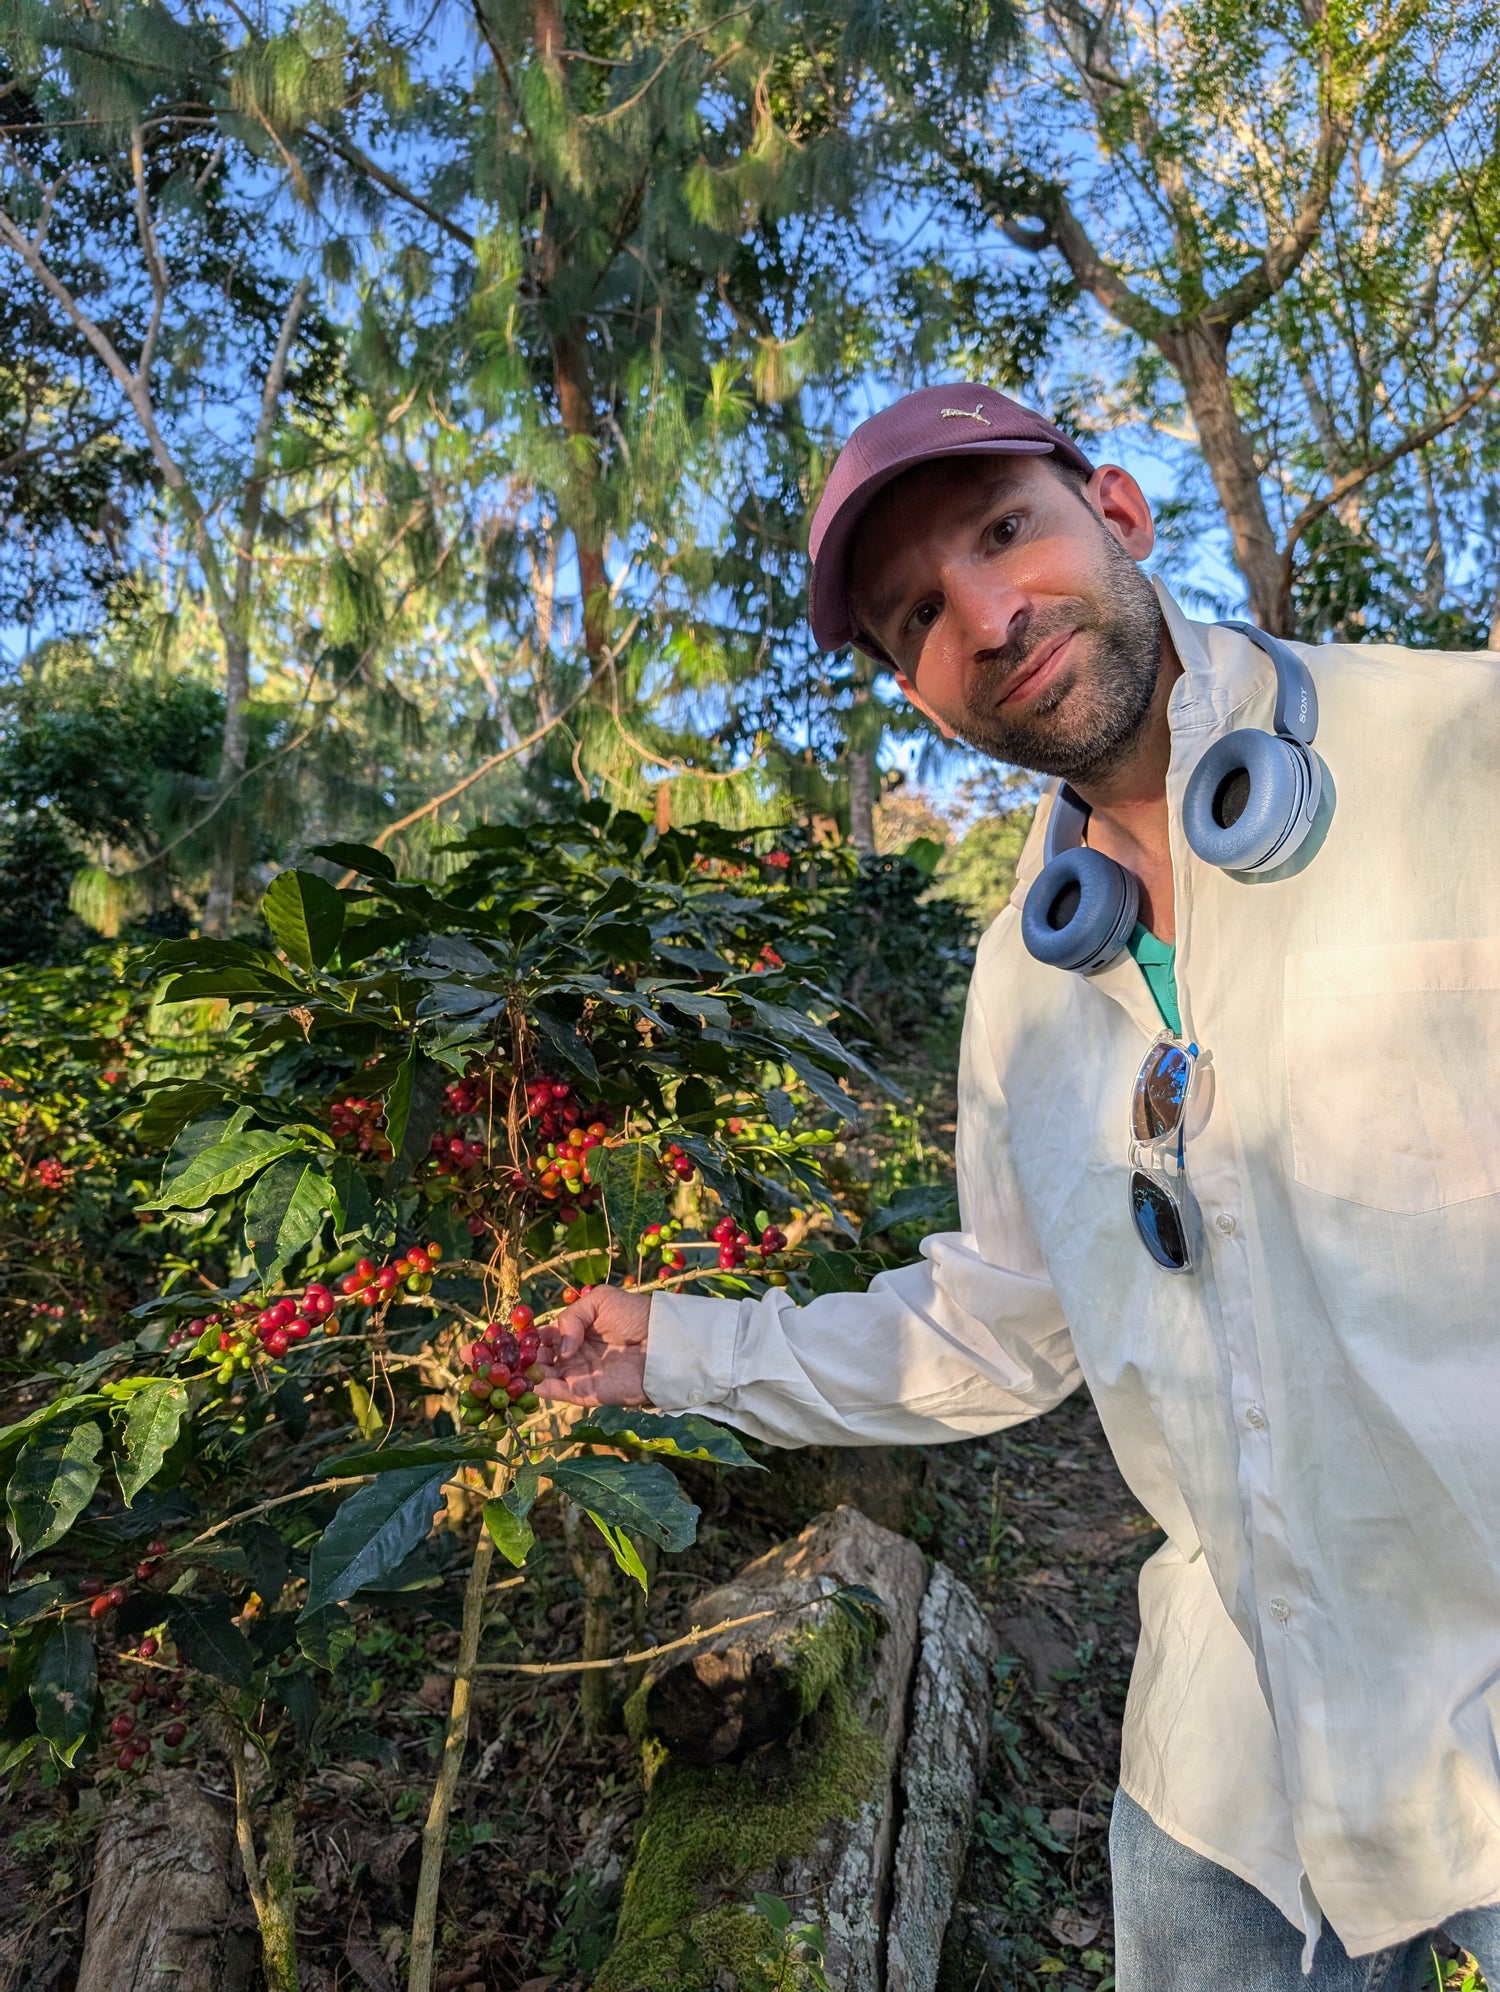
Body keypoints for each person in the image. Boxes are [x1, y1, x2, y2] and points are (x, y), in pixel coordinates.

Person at [535, 381, 1500, 1990]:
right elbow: (998, 1329)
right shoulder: (1023, 988)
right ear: (915, 689)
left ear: (1115, 514)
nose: (987, 614)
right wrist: (676, 1352)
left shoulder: (1458, 755)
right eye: (921, 611)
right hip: (1230, 1749)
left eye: (1004, 533)